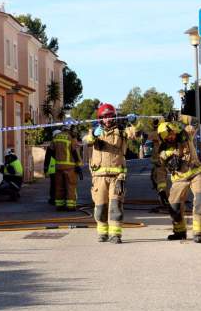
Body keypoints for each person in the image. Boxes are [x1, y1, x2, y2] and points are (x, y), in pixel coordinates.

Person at [85, 103, 138, 244]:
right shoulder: (95, 132)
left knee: (116, 207)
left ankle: (115, 235)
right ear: (100, 119)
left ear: (114, 117)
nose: (108, 119)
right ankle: (102, 233)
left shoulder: (121, 132)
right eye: (105, 117)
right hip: (99, 178)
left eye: (110, 117)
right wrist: (94, 134)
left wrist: (133, 122)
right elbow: (88, 141)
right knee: (100, 208)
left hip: (117, 178)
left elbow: (134, 134)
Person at [157, 119, 201, 243]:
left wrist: (178, 118)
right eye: (167, 136)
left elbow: (195, 122)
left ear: (175, 131)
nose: (171, 137)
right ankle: (179, 232)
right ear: (163, 138)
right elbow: (160, 171)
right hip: (179, 180)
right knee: (174, 207)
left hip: (196, 174)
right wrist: (162, 189)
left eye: (172, 134)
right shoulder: (162, 151)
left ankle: (198, 233)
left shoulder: (186, 135)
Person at [46, 125, 81, 211]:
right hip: (69, 167)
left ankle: (59, 205)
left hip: (58, 167)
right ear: (69, 129)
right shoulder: (70, 138)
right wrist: (78, 164)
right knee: (70, 186)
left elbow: (50, 151)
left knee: (59, 186)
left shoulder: (56, 137)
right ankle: (70, 206)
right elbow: (74, 152)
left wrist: (46, 166)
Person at [44, 130, 60, 205]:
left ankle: (53, 199)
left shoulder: (51, 146)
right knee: (60, 184)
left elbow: (47, 158)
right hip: (61, 168)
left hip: (53, 169)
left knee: (53, 185)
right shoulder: (63, 145)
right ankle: (58, 198)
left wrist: (45, 169)